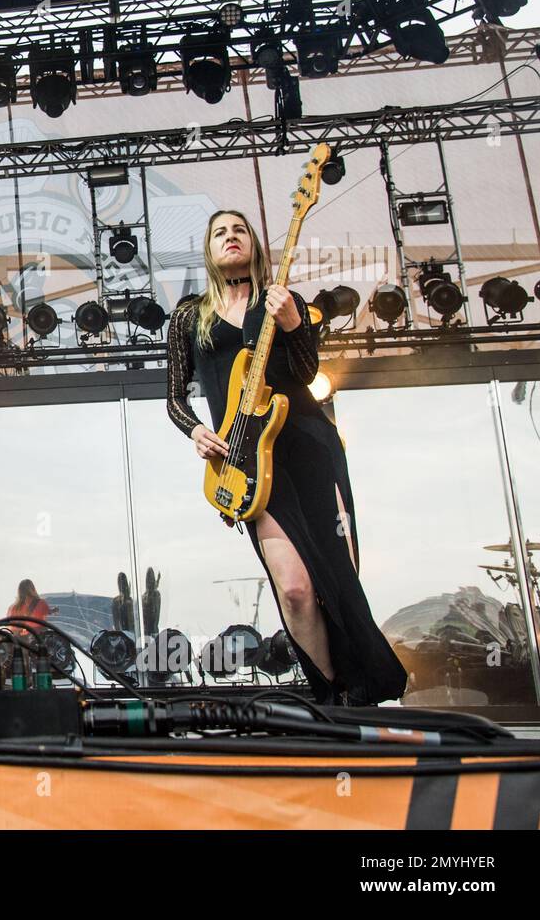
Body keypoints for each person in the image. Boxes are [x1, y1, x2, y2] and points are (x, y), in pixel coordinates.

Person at [165, 209, 406, 706]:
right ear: (209, 252)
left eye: (239, 231)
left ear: (254, 244)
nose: (230, 238)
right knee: (294, 588)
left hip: (305, 444)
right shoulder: (190, 316)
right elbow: (173, 397)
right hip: (247, 460)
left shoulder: (282, 300)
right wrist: (196, 432)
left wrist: (295, 324)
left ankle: (356, 692)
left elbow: (306, 370)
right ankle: (329, 690)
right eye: (219, 233)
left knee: (335, 572)